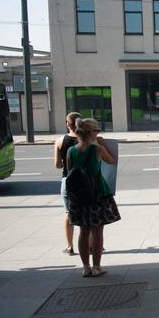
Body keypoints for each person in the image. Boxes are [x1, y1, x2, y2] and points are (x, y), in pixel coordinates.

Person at [66, 118, 120, 277]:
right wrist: (101, 144)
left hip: (78, 197)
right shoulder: (97, 149)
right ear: (90, 133)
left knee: (83, 232)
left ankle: (85, 267)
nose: (98, 133)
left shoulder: (71, 151)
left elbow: (70, 172)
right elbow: (111, 160)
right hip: (97, 195)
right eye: (96, 131)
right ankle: (97, 266)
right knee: (97, 232)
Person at [54, 111, 81, 255]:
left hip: (67, 179)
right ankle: (90, 245)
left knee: (68, 213)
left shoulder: (59, 141)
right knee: (85, 212)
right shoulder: (86, 140)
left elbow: (58, 165)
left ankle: (70, 247)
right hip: (84, 180)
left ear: (68, 124)